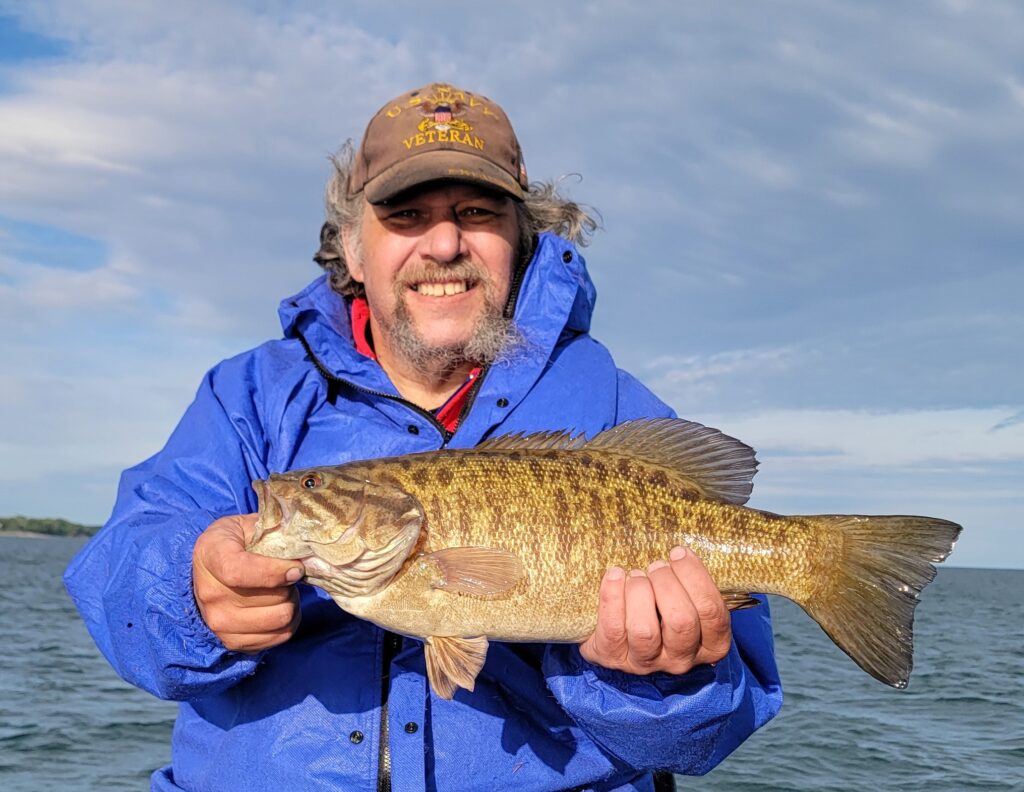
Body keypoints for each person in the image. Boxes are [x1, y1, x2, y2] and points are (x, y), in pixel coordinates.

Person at [65, 82, 782, 792]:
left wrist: (663, 677)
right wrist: (188, 590)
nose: (444, 244)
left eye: (477, 212)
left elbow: (709, 732)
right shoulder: (248, 396)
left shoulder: (618, 407)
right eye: (406, 215)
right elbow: (123, 564)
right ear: (352, 248)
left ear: (522, 238)